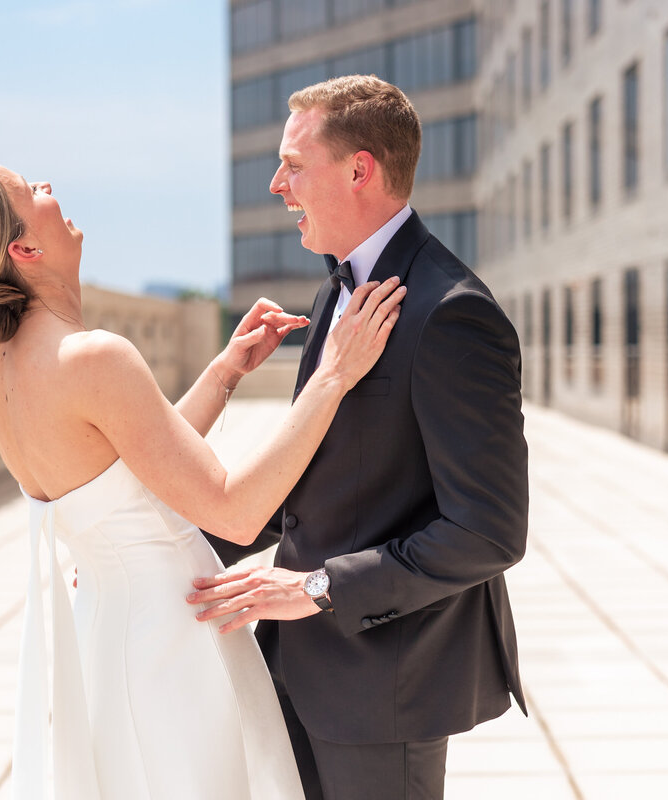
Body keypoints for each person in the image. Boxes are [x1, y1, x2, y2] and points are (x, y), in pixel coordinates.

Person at [0, 161, 404, 799]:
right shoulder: (93, 357)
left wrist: (224, 372)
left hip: (108, 636)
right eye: (32, 190)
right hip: (174, 645)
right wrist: (333, 374)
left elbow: (129, 468)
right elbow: (234, 511)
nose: (49, 187)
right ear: (24, 250)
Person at [186, 75, 530, 800]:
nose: (277, 184)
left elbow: (487, 532)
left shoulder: (453, 313)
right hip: (295, 669)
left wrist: (317, 588)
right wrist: (163, 555)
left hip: (386, 690)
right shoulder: (335, 291)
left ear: (359, 170)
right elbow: (316, 485)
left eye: (293, 164)